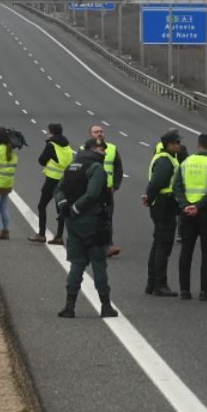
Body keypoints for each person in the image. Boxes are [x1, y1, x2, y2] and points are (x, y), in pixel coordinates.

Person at [55, 136, 117, 319]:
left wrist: (64, 205)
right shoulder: (96, 168)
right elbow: (93, 193)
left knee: (77, 263)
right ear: (92, 150)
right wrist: (76, 208)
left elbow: (58, 190)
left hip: (72, 223)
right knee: (98, 263)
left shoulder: (73, 166)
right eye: (101, 149)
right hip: (91, 221)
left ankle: (69, 306)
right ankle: (106, 306)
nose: (104, 152)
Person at [172, 133, 207, 301]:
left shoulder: (186, 162)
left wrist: (185, 204)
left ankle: (184, 290)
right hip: (206, 212)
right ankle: (205, 290)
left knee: (186, 250)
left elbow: (177, 186)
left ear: (198, 145)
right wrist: (199, 206)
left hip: (187, 212)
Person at [141, 129, 183, 296]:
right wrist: (149, 198)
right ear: (170, 145)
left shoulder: (167, 158)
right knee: (163, 245)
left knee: (158, 243)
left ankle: (152, 283)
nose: (180, 145)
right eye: (178, 143)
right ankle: (160, 284)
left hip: (161, 203)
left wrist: (150, 198)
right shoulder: (165, 161)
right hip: (164, 204)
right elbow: (156, 183)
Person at [29, 123, 73, 245]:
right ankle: (59, 236)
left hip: (52, 180)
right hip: (65, 181)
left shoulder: (51, 145)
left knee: (41, 206)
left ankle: (41, 234)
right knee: (60, 208)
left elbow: (41, 160)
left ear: (51, 132)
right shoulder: (67, 146)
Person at [90, 123, 124, 257]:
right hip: (91, 191)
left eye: (101, 131)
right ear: (90, 135)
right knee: (92, 218)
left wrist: (115, 186)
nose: (99, 134)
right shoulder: (84, 149)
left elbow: (119, 168)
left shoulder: (112, 148)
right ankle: (91, 245)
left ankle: (108, 245)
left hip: (107, 191)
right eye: (96, 132)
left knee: (107, 218)